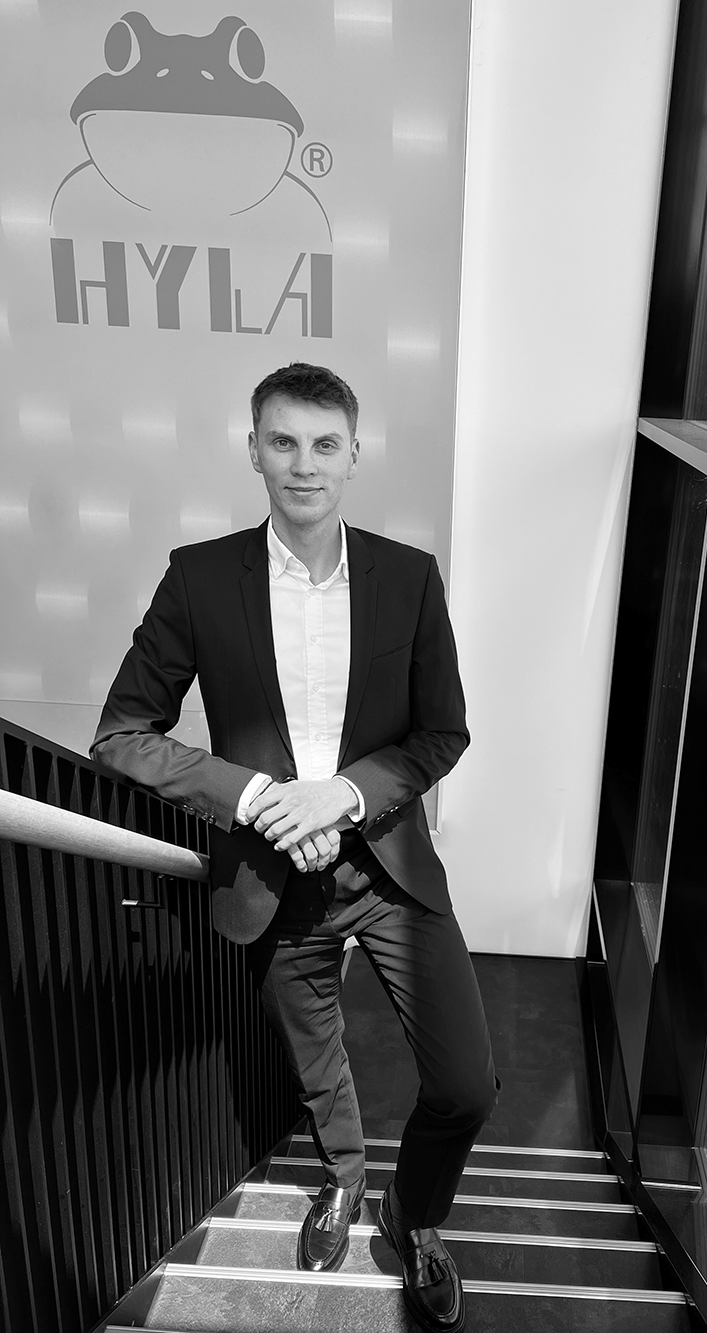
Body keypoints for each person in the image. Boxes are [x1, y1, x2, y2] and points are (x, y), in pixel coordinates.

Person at [92, 362, 497, 1333]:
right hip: (270, 876)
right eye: (283, 442)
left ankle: (414, 1214)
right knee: (317, 1064)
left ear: (355, 455)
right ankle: (345, 1177)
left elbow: (441, 733)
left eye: (324, 444)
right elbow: (121, 733)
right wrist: (257, 796)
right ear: (254, 452)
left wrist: (343, 793)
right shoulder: (199, 577)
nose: (303, 464)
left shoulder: (409, 578)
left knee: (465, 1084)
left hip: (386, 864)